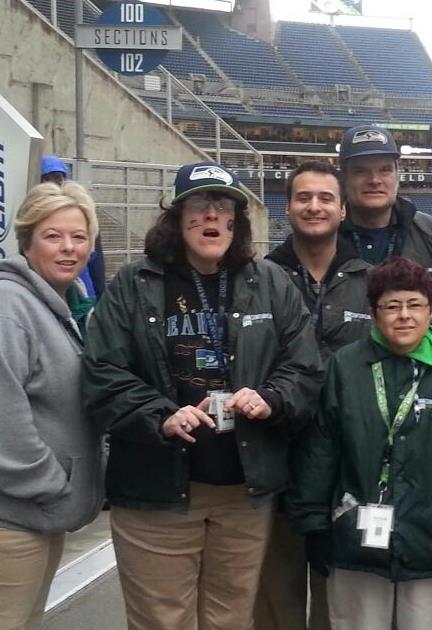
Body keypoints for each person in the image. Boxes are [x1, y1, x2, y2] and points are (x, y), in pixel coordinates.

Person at [81, 162, 324, 630]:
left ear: (237, 219)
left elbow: (305, 368)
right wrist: (160, 415)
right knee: (162, 621)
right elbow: (101, 374)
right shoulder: (134, 285)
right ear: (176, 216)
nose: (212, 217)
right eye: (199, 205)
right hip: (158, 490)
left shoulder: (270, 282)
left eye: (223, 206)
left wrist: (272, 397)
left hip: (242, 491)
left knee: (230, 620)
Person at [287, 257, 432, 630]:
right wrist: (313, 524)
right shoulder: (346, 366)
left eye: (415, 304)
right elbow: (323, 446)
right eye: (391, 306)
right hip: (356, 538)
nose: (404, 316)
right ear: (373, 313)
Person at [259, 161, 371, 630]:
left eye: (326, 198)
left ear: (343, 210)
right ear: (287, 208)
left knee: (339, 605)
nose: (314, 206)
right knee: (275, 603)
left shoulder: (372, 280)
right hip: (274, 460)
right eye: (303, 197)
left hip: (346, 467)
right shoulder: (258, 279)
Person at [0, 181, 104, 630]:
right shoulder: (10, 306)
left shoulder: (59, 304)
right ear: (26, 241)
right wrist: (50, 482)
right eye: (53, 236)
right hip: (15, 517)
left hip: (42, 514)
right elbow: (5, 415)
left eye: (78, 238)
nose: (68, 249)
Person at [337, 124, 432, 292]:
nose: (374, 180)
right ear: (343, 178)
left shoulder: (431, 232)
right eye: (360, 171)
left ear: (397, 175)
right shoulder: (326, 233)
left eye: (385, 170)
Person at [41, 155, 106, 299]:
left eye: (58, 178)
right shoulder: (34, 214)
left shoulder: (81, 208)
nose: (68, 246)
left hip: (83, 290)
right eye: (53, 236)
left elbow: (96, 261)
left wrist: (102, 298)